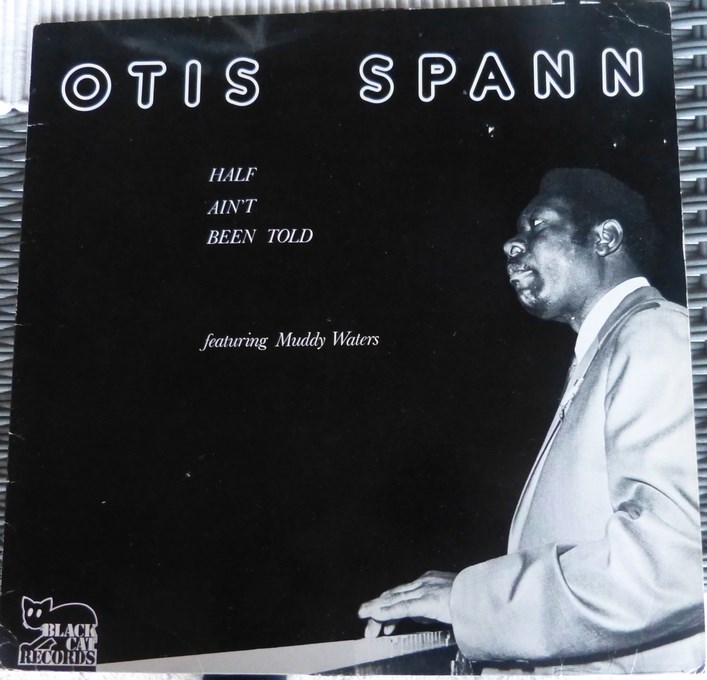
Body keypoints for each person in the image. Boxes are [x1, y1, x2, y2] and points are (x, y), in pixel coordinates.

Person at [358, 168, 706, 673]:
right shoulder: (607, 351)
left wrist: (473, 601)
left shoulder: (654, 335)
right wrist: (474, 621)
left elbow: (676, 563)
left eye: (537, 225)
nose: (511, 245)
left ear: (605, 238)